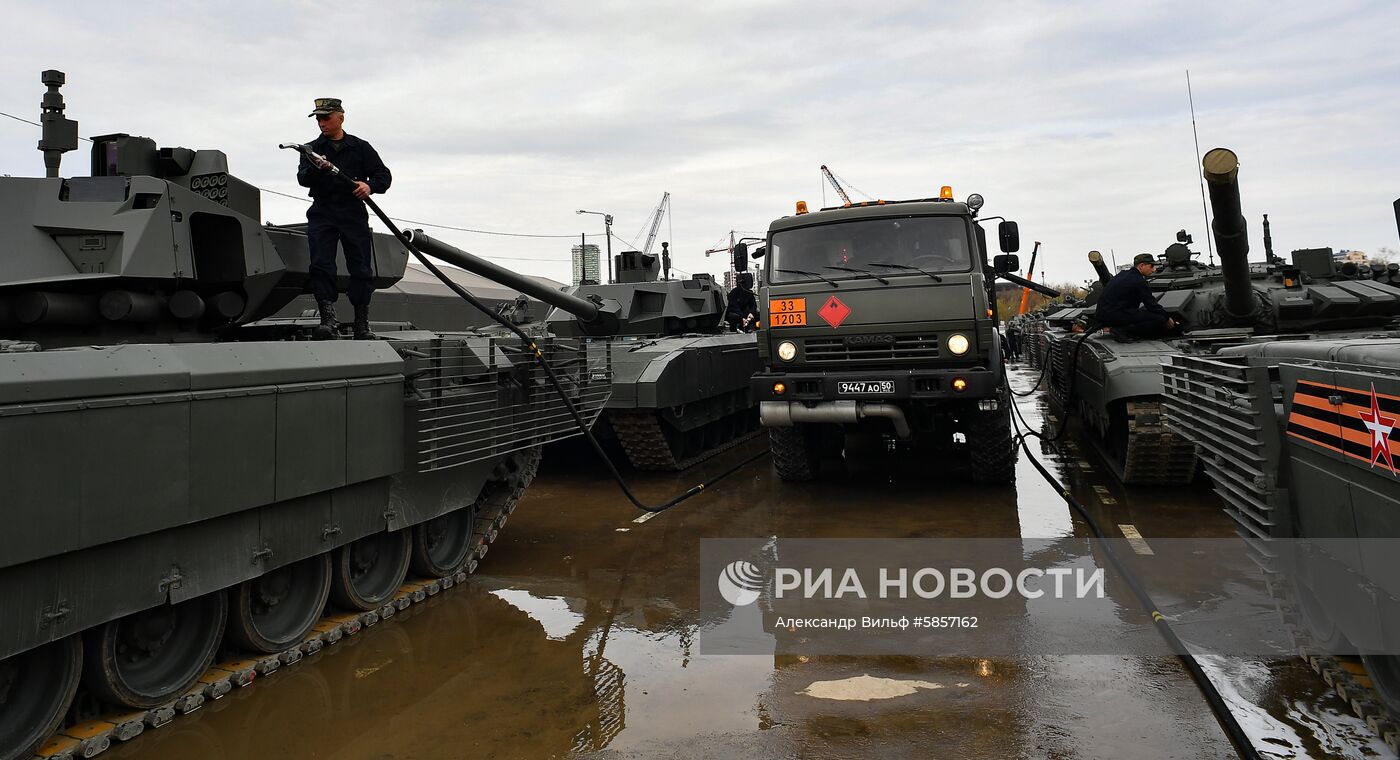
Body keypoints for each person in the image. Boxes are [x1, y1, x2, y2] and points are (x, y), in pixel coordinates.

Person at [297, 98, 392, 340]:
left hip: (352, 213)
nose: (321, 123)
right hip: (323, 212)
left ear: (340, 117)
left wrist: (368, 186)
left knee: (361, 267)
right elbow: (303, 178)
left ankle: (362, 324)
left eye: (326, 117)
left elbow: (384, 176)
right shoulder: (310, 149)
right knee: (321, 265)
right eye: (318, 118)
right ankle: (328, 320)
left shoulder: (360, 147)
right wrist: (318, 167)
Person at [1096, 253, 1177, 339]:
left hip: (1103, 314)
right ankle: (1123, 330)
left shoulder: (1123, 275)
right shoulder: (1138, 280)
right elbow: (1151, 305)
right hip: (1115, 314)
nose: (1154, 270)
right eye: (1151, 266)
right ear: (1141, 266)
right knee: (1159, 319)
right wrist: (1167, 318)